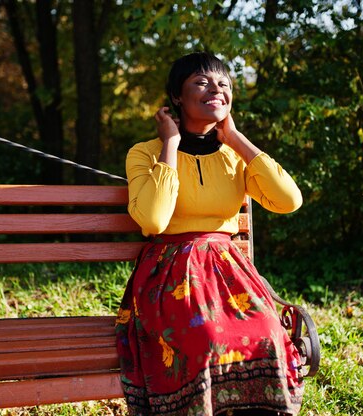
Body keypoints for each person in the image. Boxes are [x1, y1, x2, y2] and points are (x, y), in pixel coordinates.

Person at [115, 52, 304, 416]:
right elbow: (154, 221)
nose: (215, 90)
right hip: (172, 274)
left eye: (224, 84)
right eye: (201, 83)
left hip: (229, 273)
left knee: (267, 334)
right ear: (176, 97)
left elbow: (289, 200)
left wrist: (235, 138)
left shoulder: (235, 157)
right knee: (206, 337)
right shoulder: (145, 153)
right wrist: (170, 144)